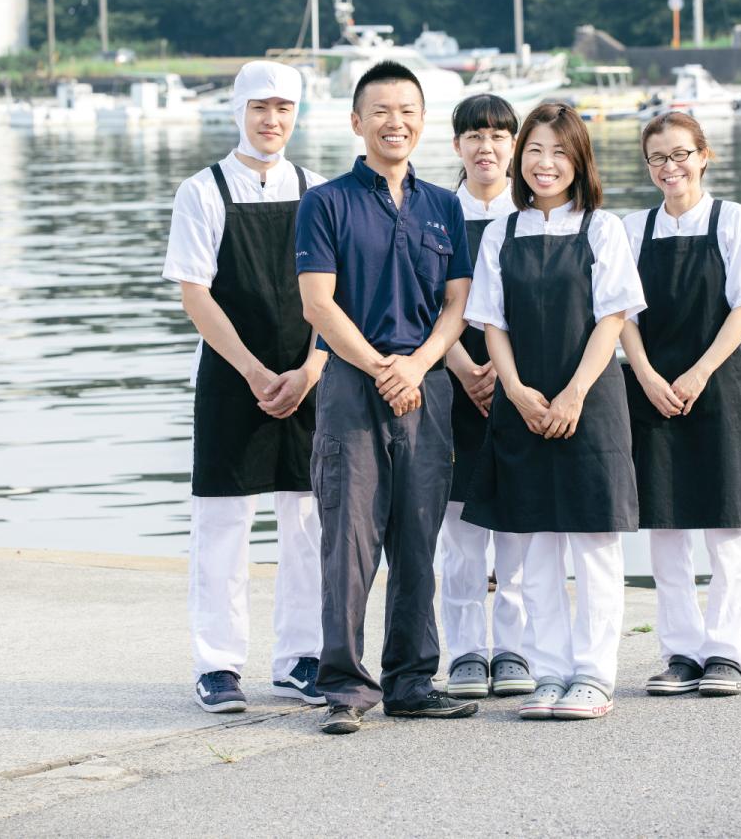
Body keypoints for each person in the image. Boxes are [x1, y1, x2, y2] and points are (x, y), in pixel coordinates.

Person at [295, 60, 477, 735]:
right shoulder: (327, 202)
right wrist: (380, 367)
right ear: (356, 122)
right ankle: (343, 687)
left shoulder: (443, 206)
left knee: (416, 534)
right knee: (348, 538)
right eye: (381, 111)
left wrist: (421, 364)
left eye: (407, 111)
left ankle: (410, 681)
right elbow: (318, 304)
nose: (394, 122)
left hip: (427, 387)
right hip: (352, 384)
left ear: (422, 122)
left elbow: (457, 303)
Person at [462, 102, 645, 720]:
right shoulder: (500, 232)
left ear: (580, 161)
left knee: (593, 543)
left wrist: (573, 393)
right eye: (535, 150)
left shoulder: (602, 228)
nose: (545, 164)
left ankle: (594, 675)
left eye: (560, 152)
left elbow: (612, 319)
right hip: (522, 403)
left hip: (589, 403)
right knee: (536, 542)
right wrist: (513, 390)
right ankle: (549, 673)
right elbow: (491, 322)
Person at [163, 61, 327, 713]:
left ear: (297, 114)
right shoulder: (201, 190)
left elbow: (332, 293)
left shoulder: (318, 189)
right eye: (260, 107)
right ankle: (219, 665)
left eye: (284, 108)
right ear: (238, 111)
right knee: (223, 523)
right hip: (233, 379)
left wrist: (312, 367)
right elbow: (194, 294)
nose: (271, 120)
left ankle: (302, 659)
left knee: (309, 522)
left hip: (308, 373)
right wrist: (254, 370)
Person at [620, 112, 741, 698]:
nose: (670, 167)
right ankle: (680, 652)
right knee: (665, 523)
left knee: (727, 521)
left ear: (703, 156)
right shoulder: (632, 229)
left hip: (718, 382)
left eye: (680, 154)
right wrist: (648, 375)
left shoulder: (733, 220)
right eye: (657, 158)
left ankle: (725, 652)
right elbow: (620, 314)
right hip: (651, 384)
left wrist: (698, 372)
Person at [439, 94, 534, 700]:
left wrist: (500, 371)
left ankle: (517, 650)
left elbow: (545, 302)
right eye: (475, 135)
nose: (487, 147)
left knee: (519, 527)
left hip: (520, 381)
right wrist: (462, 364)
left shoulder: (530, 217)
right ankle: (467, 651)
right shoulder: (434, 212)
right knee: (460, 533)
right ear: (456, 146)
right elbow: (422, 300)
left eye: (500, 136)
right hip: (447, 382)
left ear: (515, 148)